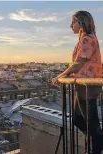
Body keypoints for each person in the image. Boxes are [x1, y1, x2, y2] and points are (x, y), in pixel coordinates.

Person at [52, 10, 103, 154]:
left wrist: (59, 76)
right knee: (79, 119)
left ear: (81, 23)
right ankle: (96, 144)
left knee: (89, 121)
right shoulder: (87, 38)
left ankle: (97, 146)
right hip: (84, 85)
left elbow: (78, 64)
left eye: (73, 22)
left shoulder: (87, 39)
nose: (70, 26)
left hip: (88, 85)